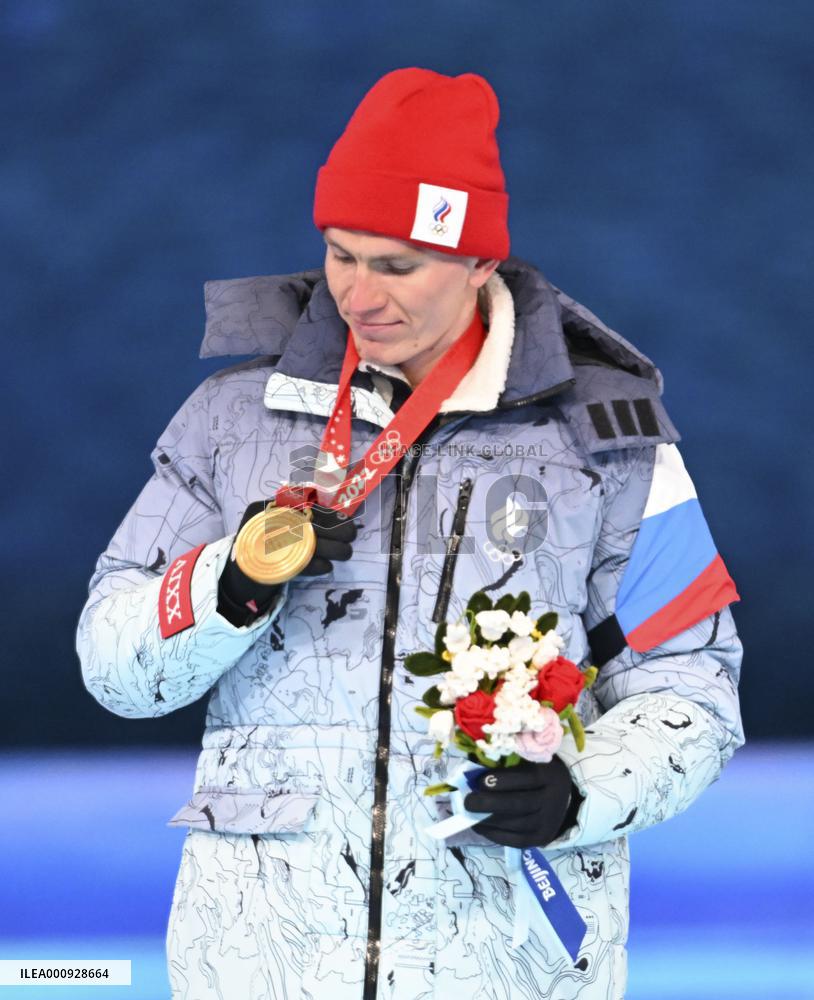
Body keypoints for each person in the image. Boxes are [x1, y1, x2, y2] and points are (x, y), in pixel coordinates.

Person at [76, 68, 743, 1000]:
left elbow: (695, 685)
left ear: (479, 264)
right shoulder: (231, 419)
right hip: (259, 961)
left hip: (507, 964)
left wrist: (585, 793)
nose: (359, 294)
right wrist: (232, 586)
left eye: (397, 266)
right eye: (343, 254)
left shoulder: (609, 440)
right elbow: (111, 666)